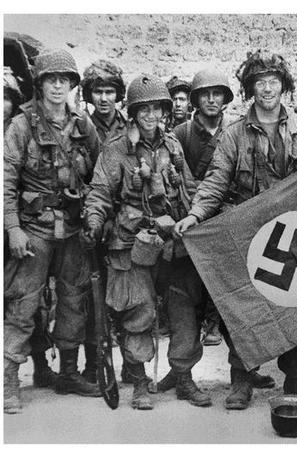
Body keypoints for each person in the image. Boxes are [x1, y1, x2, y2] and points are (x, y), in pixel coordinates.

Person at [174, 51, 297, 410]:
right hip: (248, 233)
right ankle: (241, 378)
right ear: (250, 89)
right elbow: (216, 180)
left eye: (273, 82)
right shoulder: (234, 134)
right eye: (260, 83)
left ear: (284, 86)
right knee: (245, 308)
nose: (267, 89)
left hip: (293, 231)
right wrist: (195, 214)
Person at [153, 68, 275, 395]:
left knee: (237, 304)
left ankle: (245, 370)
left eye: (217, 93)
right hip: (191, 231)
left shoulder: (238, 131)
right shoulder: (180, 135)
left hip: (228, 230)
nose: (211, 99)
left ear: (225, 98)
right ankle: (181, 372)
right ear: (194, 99)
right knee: (184, 305)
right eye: (204, 94)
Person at [83, 74, 197, 410]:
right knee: (138, 309)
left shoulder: (172, 146)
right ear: (132, 112)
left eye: (156, 109)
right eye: (143, 109)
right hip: (130, 241)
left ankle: (184, 375)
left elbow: (188, 188)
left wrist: (194, 217)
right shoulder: (116, 148)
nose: (150, 115)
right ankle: (139, 379)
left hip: (169, 238)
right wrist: (94, 222)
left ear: (164, 111)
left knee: (183, 306)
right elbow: (100, 192)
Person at [4, 48, 101, 414]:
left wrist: (93, 217)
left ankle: (69, 373)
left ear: (72, 85)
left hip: (73, 229)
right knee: (23, 303)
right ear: (40, 84)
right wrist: (13, 228)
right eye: (51, 80)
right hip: (34, 229)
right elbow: (5, 181)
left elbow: (99, 176)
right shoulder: (21, 125)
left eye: (64, 80)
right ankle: (9, 380)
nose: (58, 87)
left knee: (74, 300)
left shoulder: (83, 125)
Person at [80, 59, 130, 384]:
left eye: (110, 91)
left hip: (122, 223)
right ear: (89, 94)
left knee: (124, 293)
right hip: (90, 218)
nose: (104, 98)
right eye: (98, 91)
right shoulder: (81, 127)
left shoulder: (129, 128)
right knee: (91, 294)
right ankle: (93, 363)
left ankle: (130, 364)